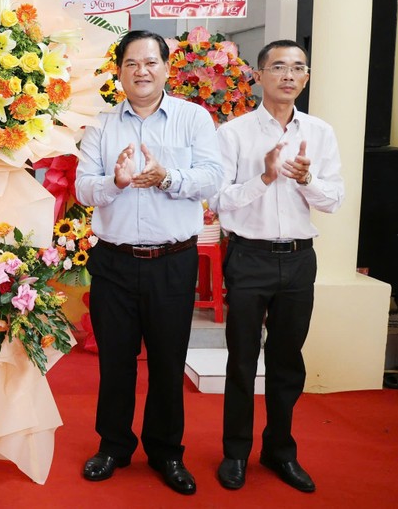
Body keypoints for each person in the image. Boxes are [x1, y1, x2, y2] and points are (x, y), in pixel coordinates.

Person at [75, 30, 223, 495]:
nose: (142, 70)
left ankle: (166, 452)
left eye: (151, 62)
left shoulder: (193, 118)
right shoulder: (100, 125)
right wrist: (115, 184)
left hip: (171, 262)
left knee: (166, 362)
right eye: (131, 62)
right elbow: (83, 188)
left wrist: (168, 177)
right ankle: (113, 446)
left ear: (166, 68)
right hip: (113, 263)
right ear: (118, 70)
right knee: (115, 362)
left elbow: (213, 177)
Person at [214, 40, 343, 493]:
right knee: (242, 361)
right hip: (249, 257)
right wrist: (265, 177)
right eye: (279, 67)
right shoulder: (234, 133)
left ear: (306, 78)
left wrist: (305, 179)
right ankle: (235, 452)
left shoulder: (321, 133)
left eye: (298, 68)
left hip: (299, 259)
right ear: (259, 75)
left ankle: (279, 451)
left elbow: (334, 200)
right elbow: (218, 202)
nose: (289, 76)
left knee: (288, 361)